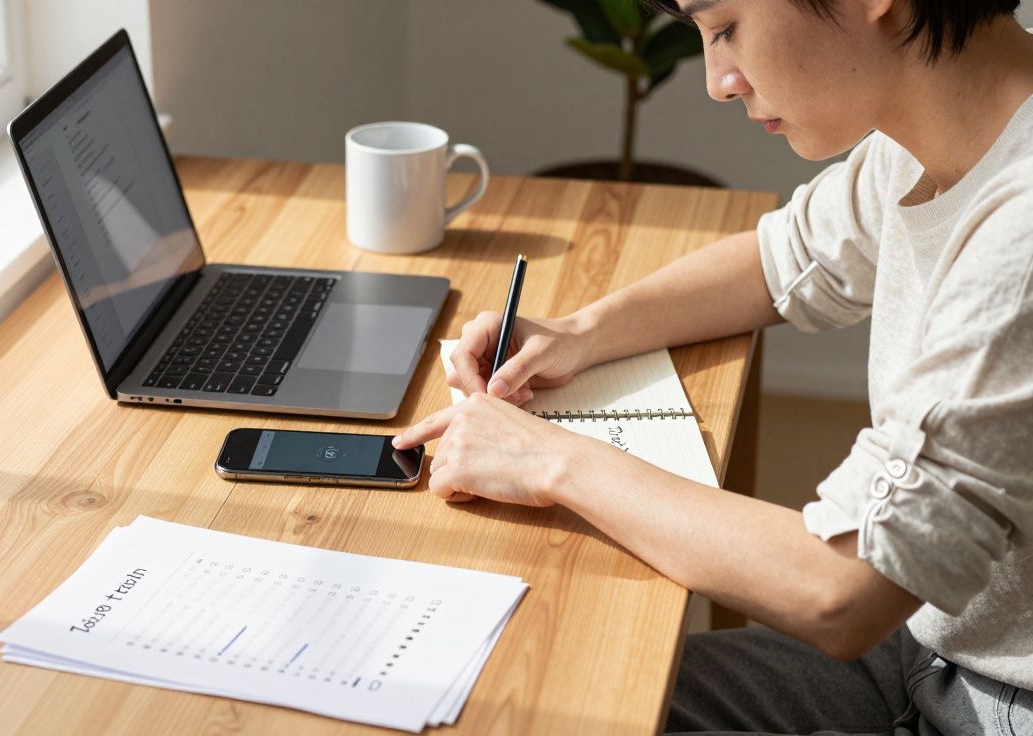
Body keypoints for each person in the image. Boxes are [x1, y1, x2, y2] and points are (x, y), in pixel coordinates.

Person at [392, 0, 1033, 732]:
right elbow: (780, 261)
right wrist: (579, 332)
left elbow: (843, 590)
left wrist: (551, 462)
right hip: (930, 644)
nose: (718, 81)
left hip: (995, 700)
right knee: (544, 699)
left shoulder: (1020, 238)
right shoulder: (949, 120)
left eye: (725, 26)